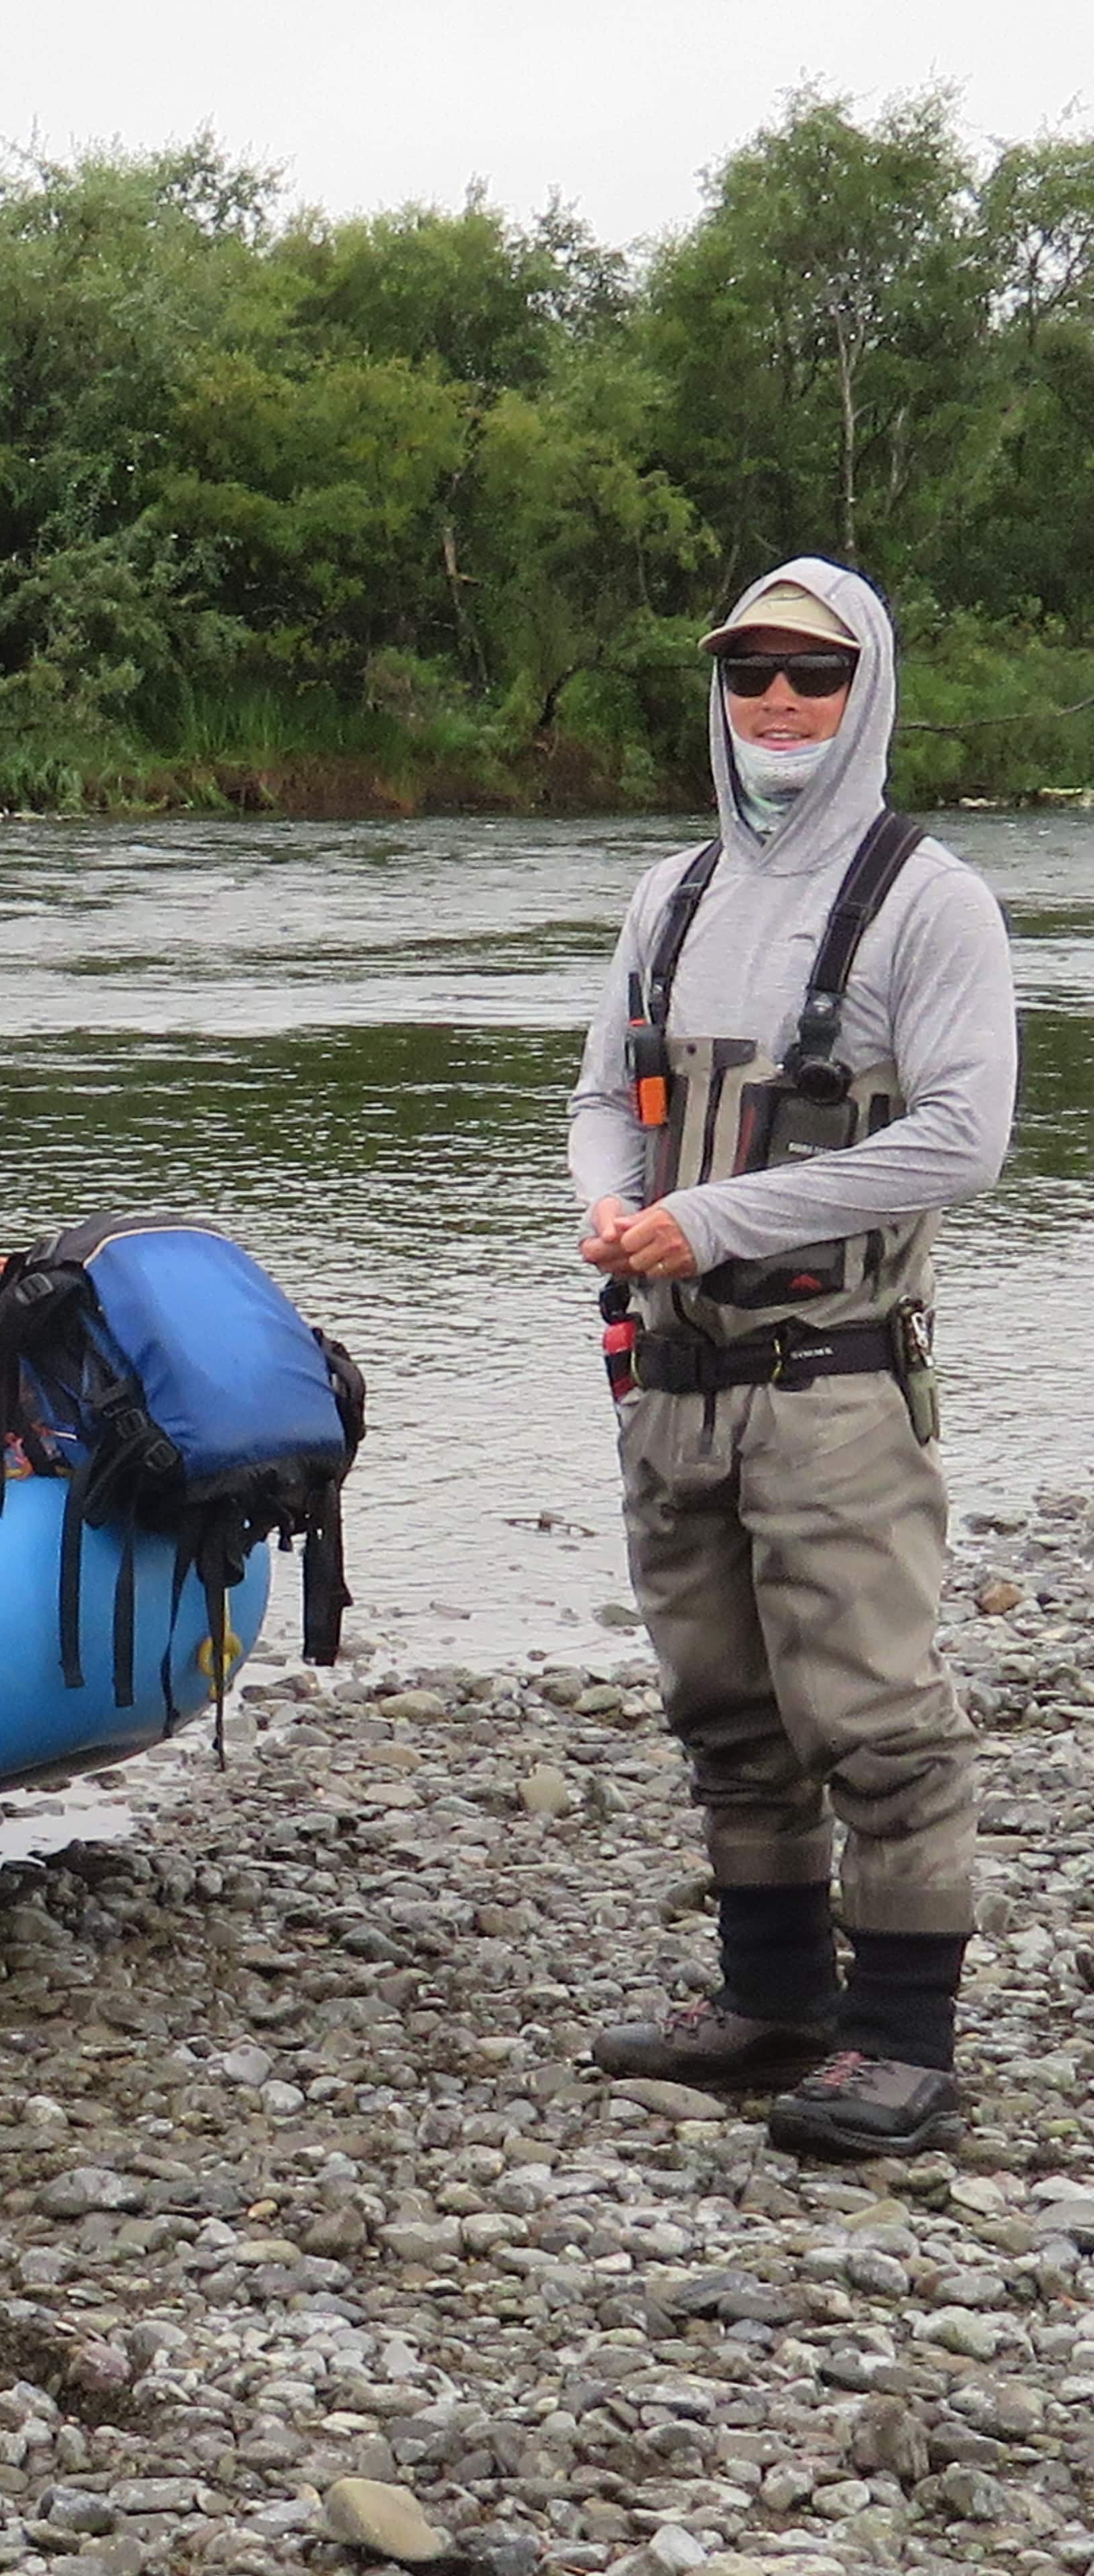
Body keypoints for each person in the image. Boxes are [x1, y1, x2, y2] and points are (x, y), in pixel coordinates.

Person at [570, 559, 1014, 2160]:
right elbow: (590, 1095)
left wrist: (710, 1215)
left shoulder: (930, 899)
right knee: (721, 1705)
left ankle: (900, 2038)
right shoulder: (664, 895)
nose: (774, 701)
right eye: (749, 670)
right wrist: (611, 1211)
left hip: (832, 1382)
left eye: (809, 677)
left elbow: (965, 1140)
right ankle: (770, 2003)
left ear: (861, 692)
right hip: (669, 1386)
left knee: (874, 1717)